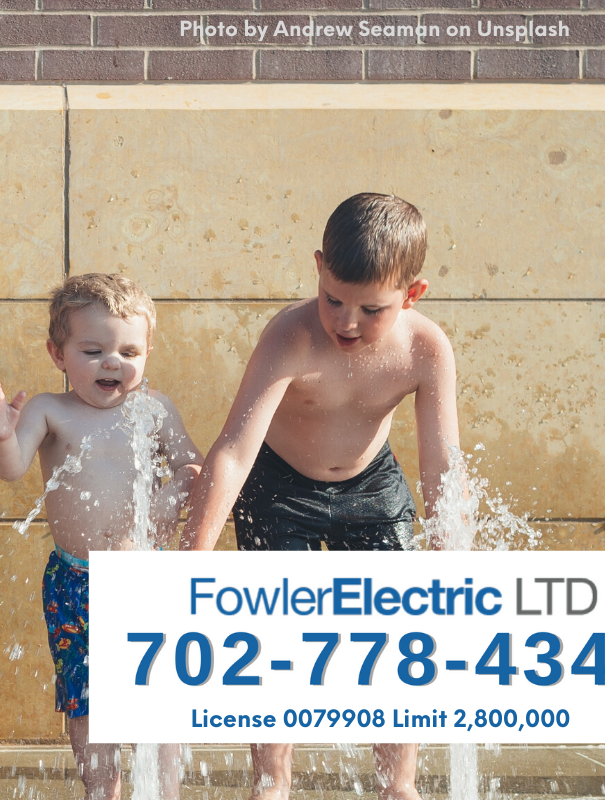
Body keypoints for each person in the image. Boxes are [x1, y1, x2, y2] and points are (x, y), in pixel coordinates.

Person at [182, 193, 462, 800]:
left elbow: (442, 462)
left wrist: (448, 550)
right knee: (276, 628)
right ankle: (272, 779)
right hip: (281, 486)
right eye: (333, 298)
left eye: (372, 308)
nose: (346, 321)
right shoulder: (291, 335)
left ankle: (399, 783)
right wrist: (192, 555)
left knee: (395, 625)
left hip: (372, 485)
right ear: (317, 267)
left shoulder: (426, 348)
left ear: (412, 294)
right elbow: (233, 449)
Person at [0, 272, 198, 800]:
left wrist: (167, 505)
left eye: (129, 350)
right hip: (77, 582)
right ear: (58, 353)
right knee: (88, 703)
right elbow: (10, 469)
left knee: (161, 697)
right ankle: (103, 791)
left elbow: (194, 467)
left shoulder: (155, 410)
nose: (113, 362)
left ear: (147, 352)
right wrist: (3, 437)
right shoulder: (50, 410)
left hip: (148, 578)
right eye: (94, 350)